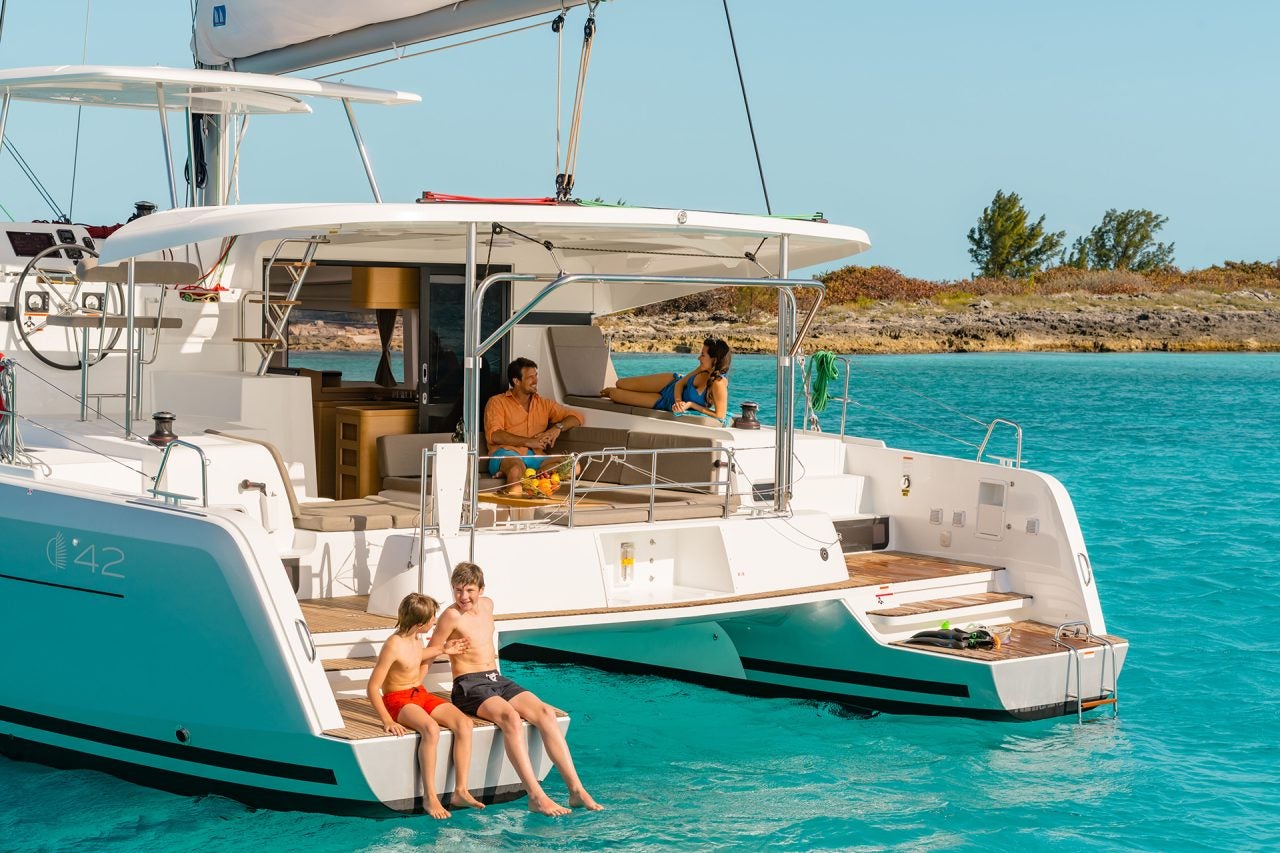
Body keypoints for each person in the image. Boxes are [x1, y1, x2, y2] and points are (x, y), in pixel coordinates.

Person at [433, 562, 603, 816]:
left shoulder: (488, 605)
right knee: (510, 718)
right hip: (468, 684)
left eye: (469, 590)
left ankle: (576, 791)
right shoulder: (451, 616)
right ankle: (535, 796)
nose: (463, 597)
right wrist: (446, 649)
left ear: (481, 589)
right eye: (457, 590)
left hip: (495, 679)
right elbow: (433, 649)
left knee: (545, 713)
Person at [367, 592, 486, 818]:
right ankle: (430, 798)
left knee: (464, 723)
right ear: (420, 623)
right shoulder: (393, 644)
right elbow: (373, 687)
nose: (434, 622)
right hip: (397, 700)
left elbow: (417, 655)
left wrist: (443, 649)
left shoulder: (416, 638)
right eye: (432, 619)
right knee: (430, 729)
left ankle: (460, 790)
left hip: (419, 693)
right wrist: (387, 720)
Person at [484, 357, 583, 494]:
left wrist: (557, 428)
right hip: (506, 453)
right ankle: (518, 509)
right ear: (516, 381)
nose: (535, 381)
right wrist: (530, 442)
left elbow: (577, 417)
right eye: (530, 377)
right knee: (515, 469)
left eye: (536, 376)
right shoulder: (497, 402)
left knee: (573, 466)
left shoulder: (543, 403)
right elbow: (495, 435)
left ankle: (531, 476)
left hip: (535, 456)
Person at [601, 337, 732, 421]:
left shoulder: (719, 383)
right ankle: (609, 389)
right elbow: (680, 383)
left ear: (714, 359)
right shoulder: (703, 368)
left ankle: (609, 391)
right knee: (620, 383)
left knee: (615, 394)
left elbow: (720, 415)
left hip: (665, 402)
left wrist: (691, 405)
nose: (699, 358)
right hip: (669, 383)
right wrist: (679, 401)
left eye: (702, 355)